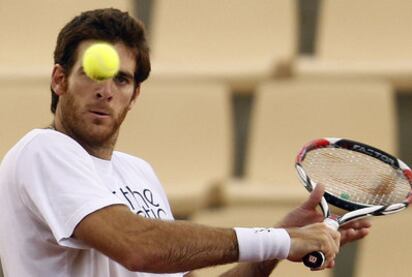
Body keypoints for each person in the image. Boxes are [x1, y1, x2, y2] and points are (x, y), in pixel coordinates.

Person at [0, 8, 370, 277]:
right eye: (92, 75)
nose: (105, 92)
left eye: (122, 80)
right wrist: (282, 239)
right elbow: (139, 248)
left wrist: (274, 247)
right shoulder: (41, 151)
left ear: (135, 95)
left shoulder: (139, 171)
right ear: (59, 80)